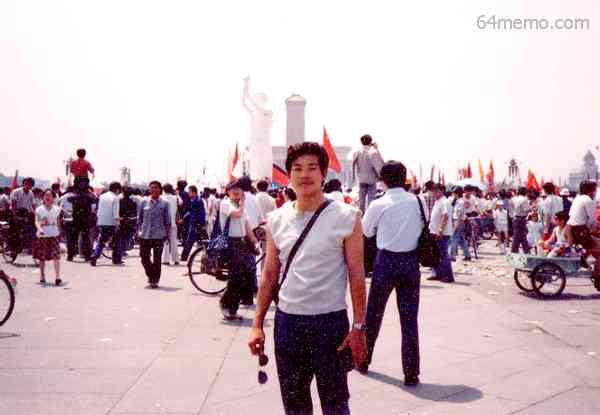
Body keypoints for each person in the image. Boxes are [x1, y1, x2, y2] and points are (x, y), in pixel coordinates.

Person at [248, 142, 366, 415]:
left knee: (335, 405)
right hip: (288, 323)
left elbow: (357, 275)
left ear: (323, 173)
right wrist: (257, 325)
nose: (304, 174)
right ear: (288, 174)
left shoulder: (347, 217)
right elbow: (269, 275)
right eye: (297, 168)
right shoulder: (277, 219)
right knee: (295, 406)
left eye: (312, 167)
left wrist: (359, 326)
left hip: (330, 323)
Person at [360, 160, 423, 386]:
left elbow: (366, 231)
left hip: (386, 262)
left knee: (374, 314)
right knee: (409, 319)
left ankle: (363, 360)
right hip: (410, 262)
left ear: (383, 180)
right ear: (404, 178)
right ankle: (411, 372)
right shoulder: (417, 201)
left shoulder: (379, 203)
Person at [138, 181, 171, 288]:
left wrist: (168, 235)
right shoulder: (143, 202)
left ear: (160, 189)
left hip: (159, 235)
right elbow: (139, 219)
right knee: (144, 257)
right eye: (151, 187)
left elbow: (167, 221)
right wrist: (137, 232)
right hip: (145, 235)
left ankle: (154, 280)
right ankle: (150, 274)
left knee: (157, 259)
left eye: (156, 187)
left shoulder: (165, 203)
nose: (153, 189)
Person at [33, 190, 62, 285]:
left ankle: (57, 277)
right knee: (42, 257)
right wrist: (40, 229)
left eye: (50, 195)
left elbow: (58, 222)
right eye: (46, 195)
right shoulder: (39, 209)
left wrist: (60, 232)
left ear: (53, 198)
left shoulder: (57, 209)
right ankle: (42, 276)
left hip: (54, 234)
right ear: (43, 197)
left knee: (56, 256)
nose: (48, 197)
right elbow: (36, 221)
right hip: (43, 235)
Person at [90, 182, 122, 266]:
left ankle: (95, 255)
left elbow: (99, 209)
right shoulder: (115, 198)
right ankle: (116, 259)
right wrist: (118, 223)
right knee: (116, 240)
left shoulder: (102, 196)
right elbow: (116, 212)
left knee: (102, 240)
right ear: (117, 189)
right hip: (111, 222)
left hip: (101, 221)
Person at [428, 183, 454, 283]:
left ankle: (447, 276)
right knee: (436, 255)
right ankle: (438, 274)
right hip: (434, 231)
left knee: (443, 255)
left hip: (442, 233)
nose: (434, 193)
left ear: (442, 191)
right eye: (433, 191)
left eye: (436, 191)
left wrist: (440, 230)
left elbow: (445, 216)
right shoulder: (437, 201)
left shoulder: (445, 202)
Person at [352, 134, 384, 212]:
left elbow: (353, 165)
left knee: (361, 202)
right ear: (370, 142)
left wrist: (354, 178)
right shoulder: (373, 152)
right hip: (371, 180)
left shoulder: (357, 152)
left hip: (361, 179)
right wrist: (376, 149)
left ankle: (361, 216)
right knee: (371, 202)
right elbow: (379, 165)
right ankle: (369, 216)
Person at [9, 177, 36, 255]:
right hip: (15, 212)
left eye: (30, 184)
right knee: (15, 232)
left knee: (31, 230)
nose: (28, 185)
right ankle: (12, 249)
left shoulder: (31, 193)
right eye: (26, 183)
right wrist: (15, 215)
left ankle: (28, 247)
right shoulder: (16, 191)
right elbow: (13, 204)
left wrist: (36, 214)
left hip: (26, 213)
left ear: (32, 185)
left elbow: (33, 205)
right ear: (23, 183)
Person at [179, 185, 206, 263]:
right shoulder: (193, 200)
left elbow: (202, 213)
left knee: (190, 241)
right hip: (193, 223)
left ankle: (184, 257)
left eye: (189, 192)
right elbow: (190, 212)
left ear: (194, 192)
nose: (188, 193)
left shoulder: (198, 201)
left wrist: (202, 224)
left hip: (196, 224)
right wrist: (184, 219)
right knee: (201, 241)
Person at [449, 186, 472, 262]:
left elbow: (459, 215)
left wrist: (456, 225)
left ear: (457, 193)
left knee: (454, 239)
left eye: (454, 193)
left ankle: (452, 256)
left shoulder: (460, 202)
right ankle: (467, 255)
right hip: (458, 221)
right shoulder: (457, 201)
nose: (453, 194)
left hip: (458, 221)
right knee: (462, 240)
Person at [160, 183, 181, 265]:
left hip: (164, 223)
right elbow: (181, 204)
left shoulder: (161, 198)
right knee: (174, 241)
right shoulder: (176, 198)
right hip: (173, 222)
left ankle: (165, 259)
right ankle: (176, 259)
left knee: (165, 241)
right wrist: (176, 193)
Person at [118, 186, 138, 259]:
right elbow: (134, 213)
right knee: (125, 237)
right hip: (129, 221)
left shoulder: (119, 201)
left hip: (121, 221)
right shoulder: (133, 202)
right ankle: (123, 250)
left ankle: (121, 250)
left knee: (121, 237)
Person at [511, 187, 531, 254]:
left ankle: (525, 250)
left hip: (515, 218)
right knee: (521, 236)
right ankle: (517, 251)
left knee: (518, 236)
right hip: (521, 218)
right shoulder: (524, 199)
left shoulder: (515, 198)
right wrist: (532, 207)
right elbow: (526, 209)